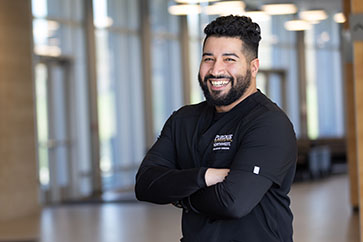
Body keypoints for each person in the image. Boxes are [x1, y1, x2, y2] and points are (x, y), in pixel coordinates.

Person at [135, 15, 297, 242]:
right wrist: (205, 176)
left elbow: (233, 203)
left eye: (229, 59)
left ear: (253, 67)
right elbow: (145, 184)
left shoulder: (269, 123)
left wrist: (182, 197)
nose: (216, 70)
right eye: (208, 59)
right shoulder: (183, 120)